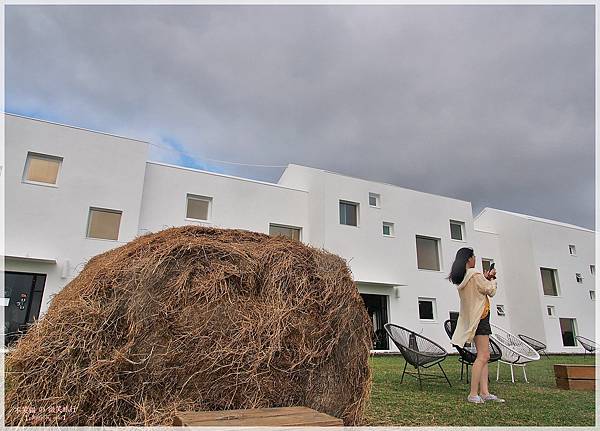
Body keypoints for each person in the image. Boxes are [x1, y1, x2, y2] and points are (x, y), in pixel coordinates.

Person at [448, 247, 505, 404]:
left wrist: (485, 279)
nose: (475, 259)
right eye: (474, 257)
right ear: (469, 259)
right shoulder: (475, 275)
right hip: (481, 318)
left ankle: (484, 392)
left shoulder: (464, 277)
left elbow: (479, 288)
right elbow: (490, 291)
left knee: (483, 356)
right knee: (484, 356)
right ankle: (474, 393)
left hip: (474, 318)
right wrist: (492, 279)